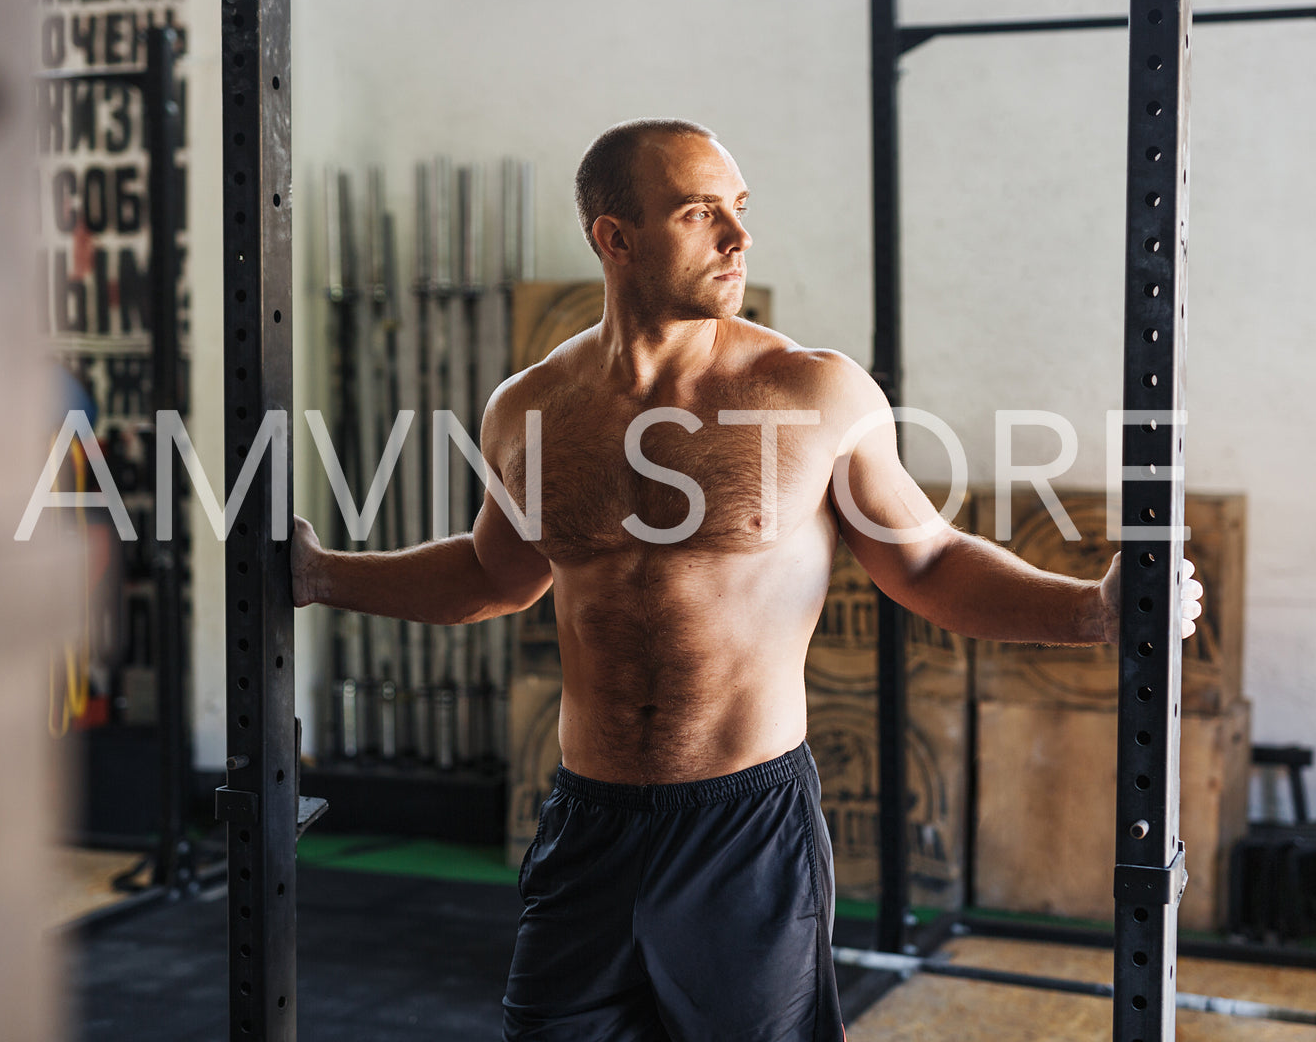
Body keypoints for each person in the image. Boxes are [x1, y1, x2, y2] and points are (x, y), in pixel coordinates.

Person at [291, 118, 1204, 1042]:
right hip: (586, 820)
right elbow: (490, 575)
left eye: (739, 208)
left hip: (744, 827)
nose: (738, 236)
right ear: (614, 237)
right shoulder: (528, 407)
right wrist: (322, 575)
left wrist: (1091, 611)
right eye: (699, 213)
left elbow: (925, 562)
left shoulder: (812, 393)